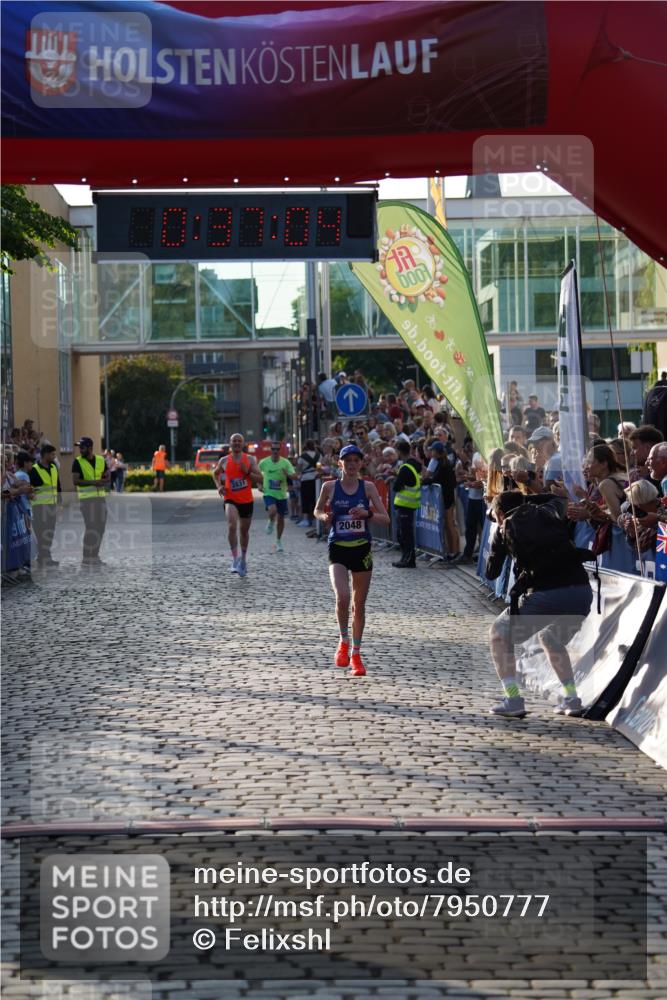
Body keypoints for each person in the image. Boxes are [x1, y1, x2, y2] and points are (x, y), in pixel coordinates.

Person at [486, 491, 594, 719]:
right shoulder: (549, 511)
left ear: (499, 513)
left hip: (547, 595)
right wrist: (529, 499)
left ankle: (513, 698)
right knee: (550, 638)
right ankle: (572, 698)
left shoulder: (505, 526)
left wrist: (498, 536)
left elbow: (491, 571)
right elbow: (560, 496)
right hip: (582, 593)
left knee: (498, 633)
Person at [314, 443, 389, 677]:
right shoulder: (329, 487)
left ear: (361, 463)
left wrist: (367, 514)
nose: (353, 465)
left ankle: (356, 654)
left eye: (357, 461)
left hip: (362, 549)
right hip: (337, 548)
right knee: (343, 597)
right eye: (348, 461)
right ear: (341, 464)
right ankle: (343, 640)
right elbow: (316, 511)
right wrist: (324, 516)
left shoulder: (367, 488)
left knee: (359, 606)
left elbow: (385, 519)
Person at [213, 433, 262, 577]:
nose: (236, 443)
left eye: (239, 441)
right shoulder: (224, 460)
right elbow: (215, 474)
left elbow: (261, 478)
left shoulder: (250, 459)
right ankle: (235, 559)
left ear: (243, 444)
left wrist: (247, 473)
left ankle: (243, 560)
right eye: (234, 441)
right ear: (230, 443)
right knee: (231, 525)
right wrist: (219, 486)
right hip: (230, 498)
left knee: (244, 531)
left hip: (246, 500)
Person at [72, 437, 110, 567]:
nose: (80, 450)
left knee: (100, 528)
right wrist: (94, 482)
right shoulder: (77, 462)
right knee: (91, 527)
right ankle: (86, 558)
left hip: (100, 499)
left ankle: (95, 556)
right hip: (87, 501)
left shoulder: (100, 460)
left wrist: (106, 478)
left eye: (82, 447)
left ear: (89, 448)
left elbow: (107, 472)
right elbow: (76, 481)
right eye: (79, 447)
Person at [422, 439, 459, 562]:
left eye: (432, 450)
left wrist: (424, 481)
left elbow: (435, 479)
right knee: (446, 525)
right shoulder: (439, 462)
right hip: (444, 497)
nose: (430, 452)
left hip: (447, 498)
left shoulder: (444, 465)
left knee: (450, 524)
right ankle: (449, 551)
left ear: (437, 452)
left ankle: (455, 551)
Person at [258, 442, 296, 553]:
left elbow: (295, 476)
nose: (275, 451)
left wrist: (287, 474)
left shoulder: (285, 462)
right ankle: (270, 521)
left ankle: (278, 541)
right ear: (271, 450)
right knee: (272, 510)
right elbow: (255, 473)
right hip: (268, 493)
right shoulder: (264, 462)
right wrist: (259, 485)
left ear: (280, 450)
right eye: (273, 449)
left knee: (281, 519)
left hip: (282, 494)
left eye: (277, 449)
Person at [391, 439, 422, 568]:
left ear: (399, 451)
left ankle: (408, 559)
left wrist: (396, 479)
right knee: (404, 533)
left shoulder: (405, 468)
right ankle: (406, 558)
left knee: (405, 534)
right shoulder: (415, 464)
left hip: (405, 505)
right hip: (409, 505)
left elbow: (396, 487)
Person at [29, 443, 61, 566]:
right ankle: (44, 557)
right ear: (46, 455)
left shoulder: (53, 467)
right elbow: (30, 487)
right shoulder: (35, 469)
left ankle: (45, 556)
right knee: (41, 532)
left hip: (52, 505)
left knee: (50, 532)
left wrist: (60, 503)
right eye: (52, 454)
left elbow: (58, 486)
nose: (54, 456)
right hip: (39, 506)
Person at [296, 439, 319, 528]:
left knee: (305, 499)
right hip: (315, 479)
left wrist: (298, 477)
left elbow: (299, 468)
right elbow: (319, 467)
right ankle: (314, 519)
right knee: (314, 499)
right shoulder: (318, 455)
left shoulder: (303, 456)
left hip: (305, 479)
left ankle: (305, 519)